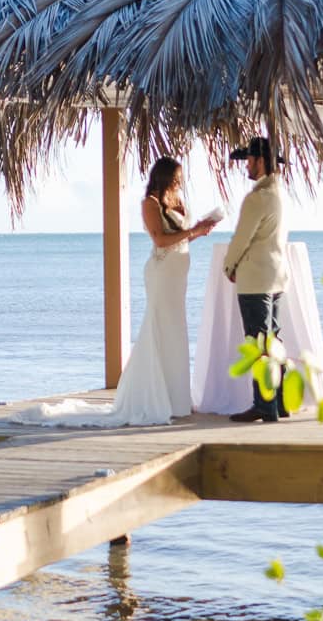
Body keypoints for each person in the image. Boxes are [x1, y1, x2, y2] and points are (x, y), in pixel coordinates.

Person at [14, 157, 219, 426]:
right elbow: (160, 240)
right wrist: (190, 230)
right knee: (159, 327)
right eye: (176, 178)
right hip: (162, 273)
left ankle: (175, 398)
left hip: (178, 273)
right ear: (164, 177)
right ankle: (151, 396)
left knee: (175, 330)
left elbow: (180, 237)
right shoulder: (151, 204)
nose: (180, 183)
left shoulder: (176, 200)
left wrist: (199, 232)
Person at [223, 137, 290, 423]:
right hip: (276, 275)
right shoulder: (280, 194)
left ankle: (264, 405)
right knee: (273, 340)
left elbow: (242, 238)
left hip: (255, 278)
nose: (246, 165)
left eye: (249, 160)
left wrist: (229, 266)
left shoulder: (257, 198)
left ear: (261, 162)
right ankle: (279, 400)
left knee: (257, 343)